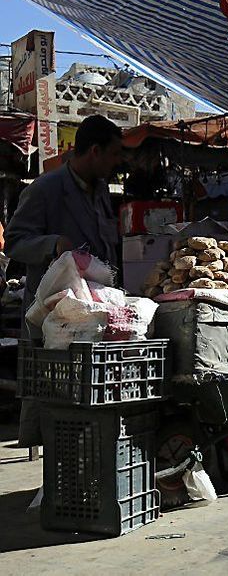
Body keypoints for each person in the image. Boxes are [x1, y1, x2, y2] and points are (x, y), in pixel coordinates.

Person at [6, 114, 123, 447]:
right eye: (114, 154)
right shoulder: (46, 189)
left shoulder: (100, 191)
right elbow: (14, 240)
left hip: (96, 310)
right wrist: (52, 244)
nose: (118, 162)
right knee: (54, 400)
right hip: (53, 316)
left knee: (91, 398)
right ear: (95, 151)